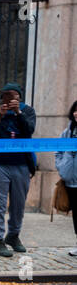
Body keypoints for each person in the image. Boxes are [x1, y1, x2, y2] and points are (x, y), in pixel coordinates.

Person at [0, 82, 37, 257]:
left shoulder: (27, 112)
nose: (11, 98)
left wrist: (18, 113)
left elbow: (29, 131)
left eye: (14, 95)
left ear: (19, 97)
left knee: (18, 205)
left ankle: (13, 236)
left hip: (21, 164)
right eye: (7, 95)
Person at [58, 99, 77, 257]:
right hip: (71, 181)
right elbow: (57, 151)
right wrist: (61, 167)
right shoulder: (67, 132)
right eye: (75, 110)